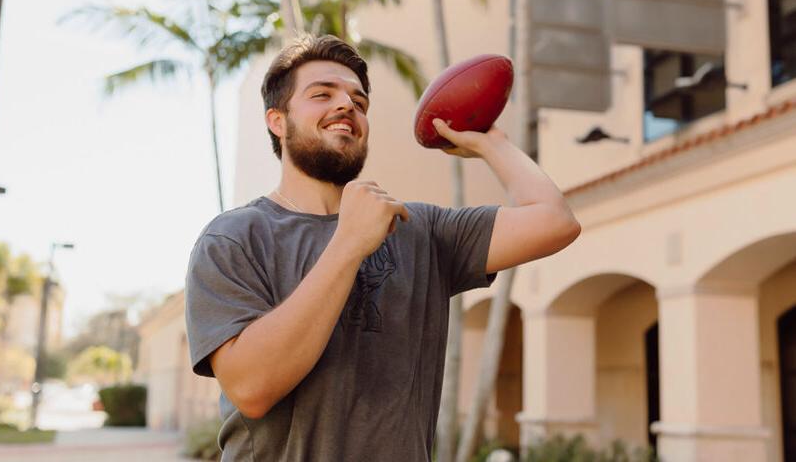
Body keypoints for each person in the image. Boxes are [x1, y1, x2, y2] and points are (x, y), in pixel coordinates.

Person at [185, 35, 580, 461]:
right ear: (277, 121)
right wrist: (349, 243)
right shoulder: (234, 238)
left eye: (359, 101)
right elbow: (252, 388)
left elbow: (555, 221)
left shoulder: (419, 229)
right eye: (322, 94)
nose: (347, 106)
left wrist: (491, 143)